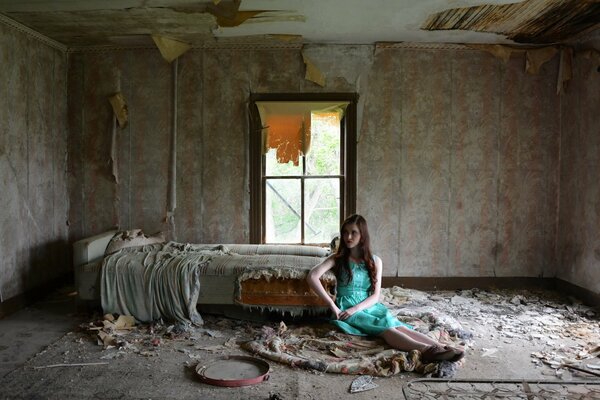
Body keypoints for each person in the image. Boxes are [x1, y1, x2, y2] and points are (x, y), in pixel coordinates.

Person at [307, 214, 464, 363]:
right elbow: (312, 276)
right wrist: (332, 305)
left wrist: (357, 308)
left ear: (362, 235)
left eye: (353, 233)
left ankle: (441, 348)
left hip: (369, 305)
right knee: (387, 330)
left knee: (398, 325)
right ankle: (427, 350)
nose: (348, 237)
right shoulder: (338, 258)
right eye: (345, 233)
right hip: (346, 307)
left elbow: (375, 295)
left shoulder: (375, 261)